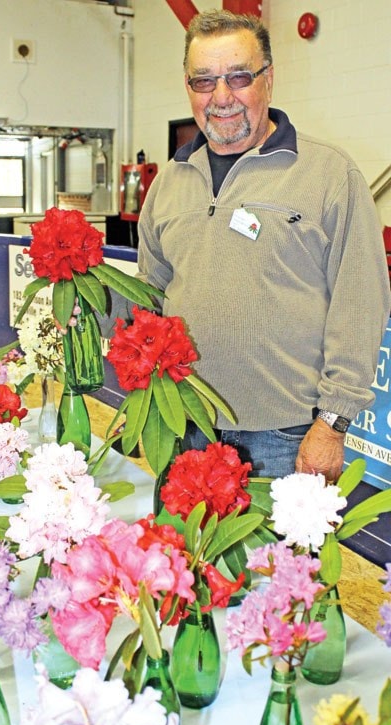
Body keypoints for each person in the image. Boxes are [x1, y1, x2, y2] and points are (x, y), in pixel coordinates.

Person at [112, 9, 391, 483]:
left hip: (286, 439)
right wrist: (89, 306)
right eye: (204, 81)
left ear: (269, 78)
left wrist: (333, 422)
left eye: (239, 77)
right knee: (182, 556)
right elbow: (150, 295)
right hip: (185, 423)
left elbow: (360, 303)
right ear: (188, 86)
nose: (222, 97)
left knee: (273, 561)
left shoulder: (329, 175)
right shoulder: (170, 182)